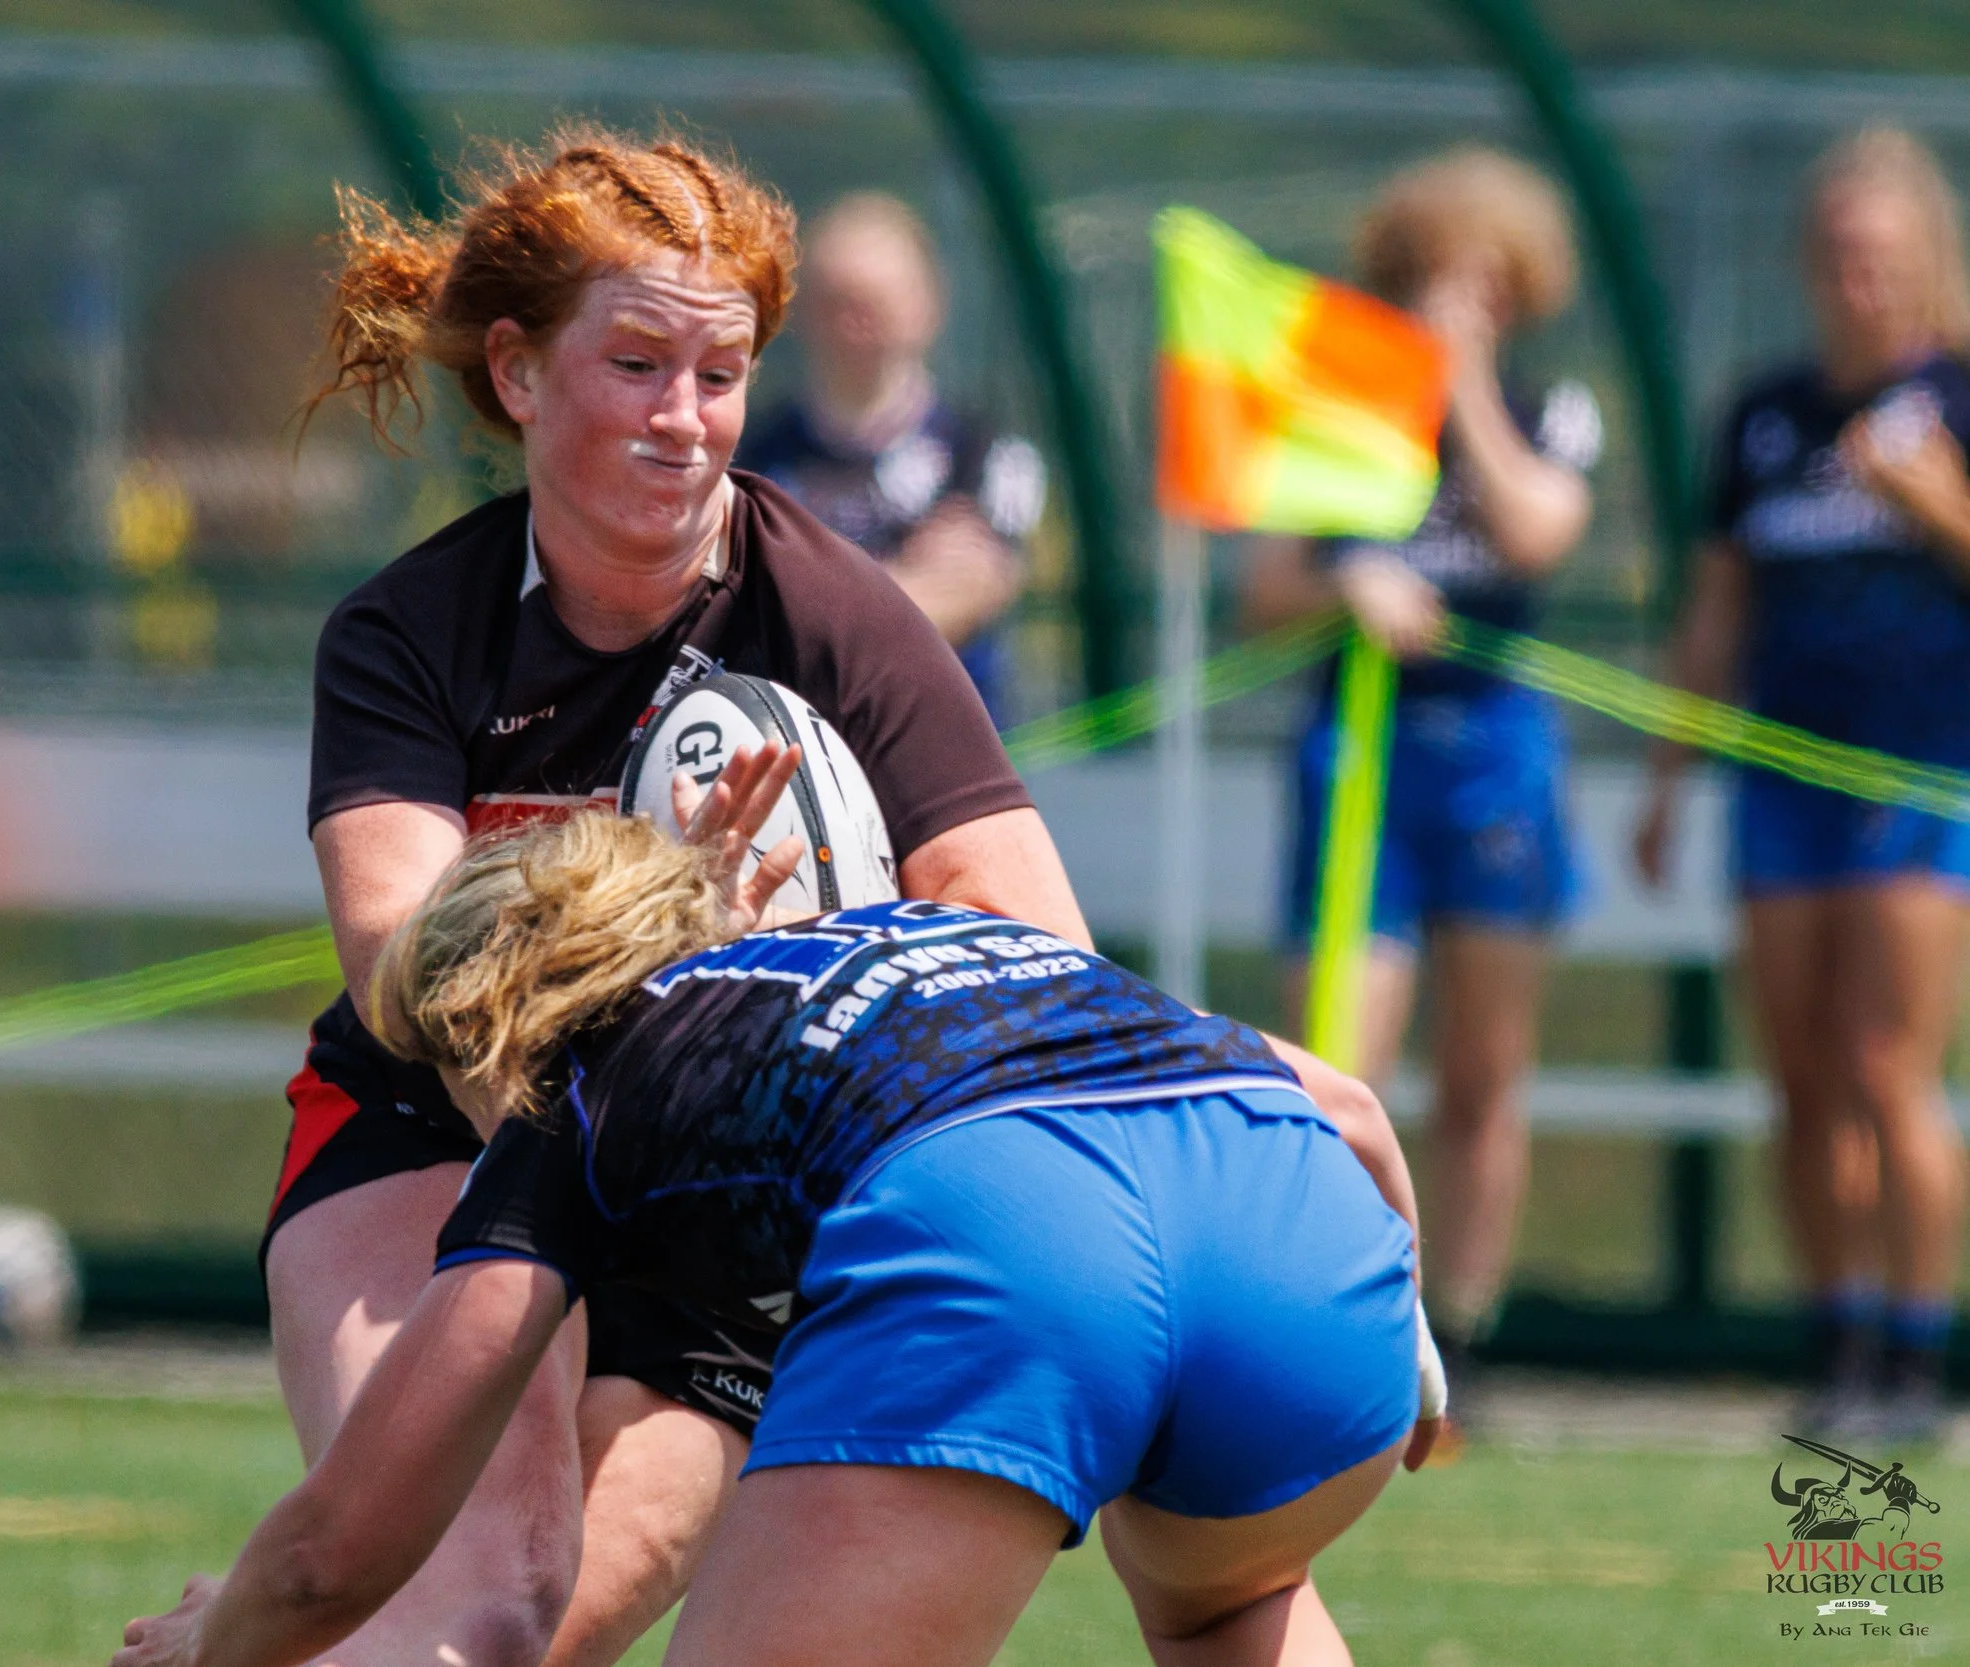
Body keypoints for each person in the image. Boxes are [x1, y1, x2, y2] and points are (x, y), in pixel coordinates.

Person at [263, 125, 1396, 1667]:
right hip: (431, 1131)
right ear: (520, 375)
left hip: (732, 1155)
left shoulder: (833, 607)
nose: (684, 421)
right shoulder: (413, 629)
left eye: (718, 376)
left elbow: (1033, 955)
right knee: (487, 1589)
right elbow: (411, 969)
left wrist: (789, 990)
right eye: (637, 365)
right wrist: (667, 940)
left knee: (565, 1610)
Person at [119, 805, 1439, 1667]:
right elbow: (1352, 1103)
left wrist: (215, 1644)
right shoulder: (911, 935)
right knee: (1224, 1603)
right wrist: (1410, 1352)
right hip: (1314, 1254)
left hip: (1018, 1230)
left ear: (482, 1022)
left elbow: (341, 1544)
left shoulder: (571, 1088)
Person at [1242, 147, 1601, 1409]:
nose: (1460, 302)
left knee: (1484, 1069)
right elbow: (1265, 586)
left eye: (1487, 283)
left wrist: (1467, 391)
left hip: (1495, 753)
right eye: (1436, 281)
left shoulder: (1550, 408)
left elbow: (1537, 527)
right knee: (1334, 1057)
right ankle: (1332, 1323)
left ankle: (1470, 1328)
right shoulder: (1339, 411)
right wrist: (1346, 578)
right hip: (1359, 753)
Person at [1635, 128, 1970, 1444]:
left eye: (1882, 258)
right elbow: (1717, 610)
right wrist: (1669, 774)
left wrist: (1932, 499)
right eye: (1837, 257)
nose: (1858, 281)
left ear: (1926, 262)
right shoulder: (1766, 415)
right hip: (1780, 784)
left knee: (1892, 1064)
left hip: (1921, 772)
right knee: (1802, 1070)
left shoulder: (1952, 399)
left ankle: (1914, 1349)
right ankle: (1833, 1334)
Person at [737, 192, 1045, 720]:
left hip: (943, 761)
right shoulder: (749, 454)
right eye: (840, 300)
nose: (858, 322)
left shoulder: (985, 455)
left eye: (878, 301)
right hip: (792, 755)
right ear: (804, 311)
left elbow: (966, 596)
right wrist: (910, 576)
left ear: (929, 304)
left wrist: (802, 595)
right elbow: (741, 613)